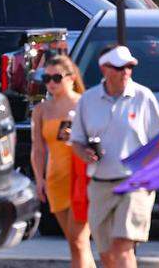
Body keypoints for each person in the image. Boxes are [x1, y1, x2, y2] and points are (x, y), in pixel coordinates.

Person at [71, 46, 159, 268]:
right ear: (104, 69)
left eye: (129, 66)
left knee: (122, 246)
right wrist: (84, 153)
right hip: (100, 184)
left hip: (135, 183)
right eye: (119, 67)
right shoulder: (88, 99)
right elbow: (76, 140)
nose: (125, 71)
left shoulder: (143, 97)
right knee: (107, 254)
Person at [31, 55, 93, 268]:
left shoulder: (84, 103)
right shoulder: (41, 110)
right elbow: (38, 149)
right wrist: (39, 179)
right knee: (75, 243)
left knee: (78, 240)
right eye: (46, 78)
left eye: (56, 77)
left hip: (81, 178)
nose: (51, 84)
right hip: (56, 180)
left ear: (71, 77)